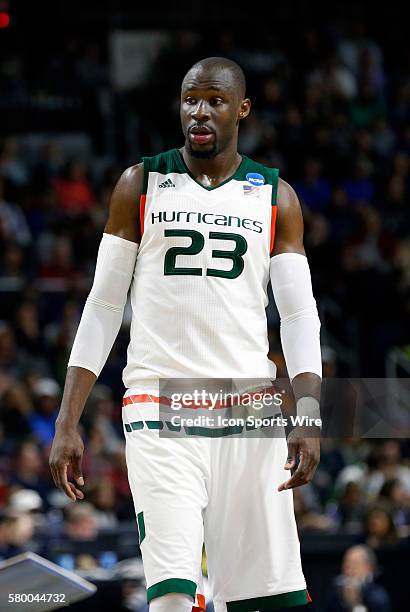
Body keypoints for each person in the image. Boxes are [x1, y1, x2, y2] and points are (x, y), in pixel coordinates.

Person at [50, 57, 322, 612]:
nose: (199, 112)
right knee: (173, 595)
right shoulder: (140, 183)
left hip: (249, 413)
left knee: (267, 600)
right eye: (190, 100)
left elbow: (297, 317)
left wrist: (310, 414)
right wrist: (67, 420)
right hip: (160, 408)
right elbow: (102, 306)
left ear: (241, 109)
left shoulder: (275, 195)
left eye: (214, 101)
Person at [324, 545, 391, 612]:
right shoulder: (335, 592)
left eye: (354, 564)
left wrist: (355, 604)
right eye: (346, 563)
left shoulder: (378, 596)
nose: (348, 569)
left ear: (368, 567)